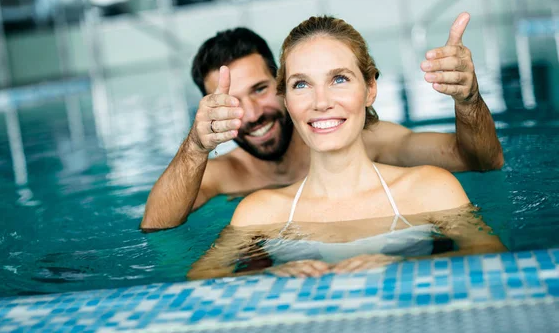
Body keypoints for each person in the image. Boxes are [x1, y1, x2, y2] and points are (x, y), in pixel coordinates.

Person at [187, 16, 505, 279]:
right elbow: (200, 279)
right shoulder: (260, 210)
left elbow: (493, 258)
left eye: (339, 79)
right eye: (301, 84)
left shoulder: (429, 188)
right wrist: (266, 276)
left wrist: (406, 267)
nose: (321, 102)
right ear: (285, 102)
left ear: (369, 90)